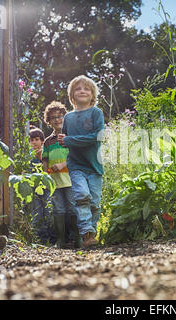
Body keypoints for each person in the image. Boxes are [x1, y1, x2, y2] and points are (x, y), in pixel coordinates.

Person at [58, 75, 104, 248]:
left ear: (92, 95)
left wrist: (70, 140)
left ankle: (93, 231)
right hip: (76, 165)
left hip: (94, 166)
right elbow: (64, 139)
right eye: (78, 88)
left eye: (86, 88)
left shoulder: (96, 113)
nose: (82, 91)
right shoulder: (68, 118)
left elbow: (96, 137)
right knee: (81, 196)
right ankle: (87, 233)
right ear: (72, 95)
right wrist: (64, 140)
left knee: (94, 203)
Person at [42, 101, 82, 249]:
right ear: (49, 121)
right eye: (53, 117)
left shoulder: (71, 137)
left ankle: (78, 238)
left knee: (72, 208)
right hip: (55, 182)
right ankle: (61, 240)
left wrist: (62, 165)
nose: (57, 119)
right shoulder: (48, 141)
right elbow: (44, 159)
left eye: (60, 116)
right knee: (58, 209)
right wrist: (46, 169)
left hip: (70, 180)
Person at [28, 126, 54, 244]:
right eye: (32, 140)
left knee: (48, 211)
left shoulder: (46, 153)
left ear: (42, 141)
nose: (34, 142)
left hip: (47, 187)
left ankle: (52, 237)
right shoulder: (28, 157)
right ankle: (39, 239)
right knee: (37, 212)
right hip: (34, 189)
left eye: (37, 139)